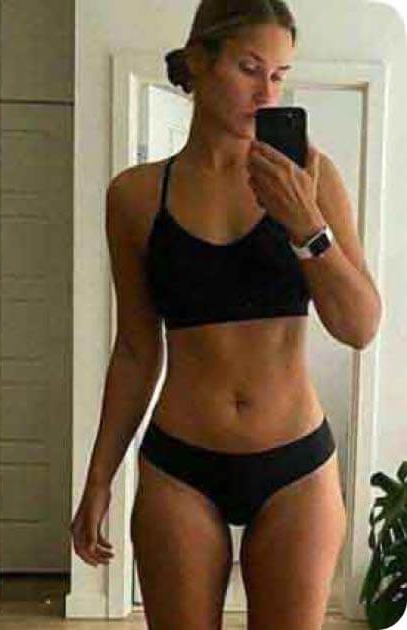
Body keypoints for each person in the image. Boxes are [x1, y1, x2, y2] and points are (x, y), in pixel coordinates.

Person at [70, 1, 382, 628]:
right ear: (199, 62)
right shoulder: (135, 196)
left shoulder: (312, 179)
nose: (267, 93)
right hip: (180, 466)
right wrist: (99, 475)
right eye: (249, 68)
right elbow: (135, 349)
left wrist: (308, 227)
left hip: (296, 467)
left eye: (279, 75)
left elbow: (360, 326)